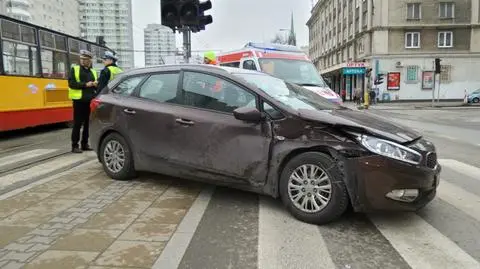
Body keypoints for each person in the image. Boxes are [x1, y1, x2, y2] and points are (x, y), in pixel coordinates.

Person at [68, 50, 98, 153]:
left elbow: (95, 86)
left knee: (88, 124)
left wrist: (95, 84)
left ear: (89, 61)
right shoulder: (75, 69)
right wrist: (85, 85)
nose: (83, 61)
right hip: (79, 101)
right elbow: (71, 84)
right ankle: (74, 145)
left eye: (85, 59)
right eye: (82, 59)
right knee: (77, 123)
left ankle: (85, 144)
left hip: (90, 101)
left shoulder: (93, 71)